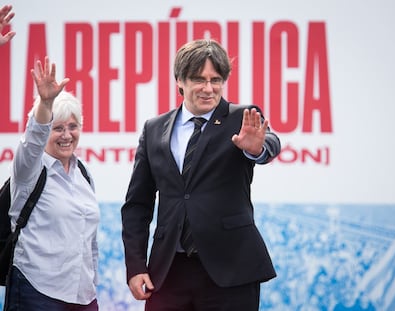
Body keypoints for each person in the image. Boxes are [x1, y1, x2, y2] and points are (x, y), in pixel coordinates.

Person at [121, 38, 281, 311]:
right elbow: (138, 205)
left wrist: (257, 149)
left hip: (230, 271)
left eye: (216, 80)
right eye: (199, 79)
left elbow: (270, 142)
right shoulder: (154, 129)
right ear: (179, 82)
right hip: (169, 271)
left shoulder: (241, 117)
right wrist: (136, 266)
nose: (209, 88)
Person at [6, 56, 100, 310]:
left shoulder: (83, 174)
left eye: (73, 126)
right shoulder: (30, 169)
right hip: (37, 291)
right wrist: (46, 103)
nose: (67, 135)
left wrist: (92, 287)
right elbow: (34, 138)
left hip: (83, 296)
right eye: (57, 128)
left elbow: (88, 240)